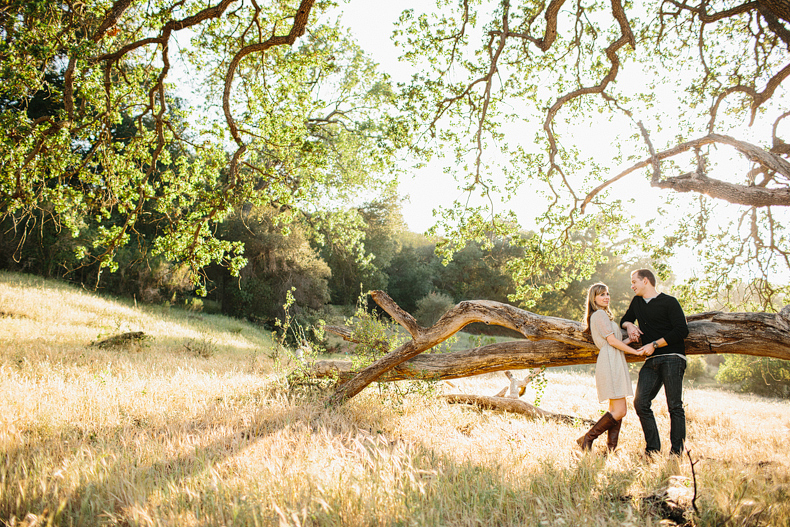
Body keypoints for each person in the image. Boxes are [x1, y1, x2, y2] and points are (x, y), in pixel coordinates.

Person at [621, 269, 689, 457]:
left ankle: (676, 453)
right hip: (651, 360)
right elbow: (624, 320)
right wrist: (631, 325)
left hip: (673, 357)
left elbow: (682, 330)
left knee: (674, 405)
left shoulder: (669, 302)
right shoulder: (637, 302)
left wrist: (654, 344)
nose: (632, 285)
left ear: (645, 281)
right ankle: (653, 450)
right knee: (640, 403)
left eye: (634, 281)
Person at [577, 283, 651, 452]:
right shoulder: (600, 314)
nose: (606, 297)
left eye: (607, 293)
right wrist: (635, 352)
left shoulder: (603, 316)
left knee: (615, 410)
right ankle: (587, 438)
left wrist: (630, 341)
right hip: (610, 361)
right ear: (593, 298)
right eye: (602, 294)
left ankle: (610, 450)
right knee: (620, 411)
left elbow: (613, 343)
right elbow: (611, 342)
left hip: (614, 358)